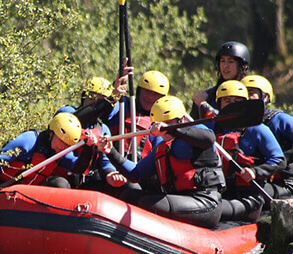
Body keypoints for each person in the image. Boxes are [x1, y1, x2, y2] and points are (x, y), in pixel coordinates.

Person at [96, 96, 226, 228]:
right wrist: (110, 151)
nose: (163, 127)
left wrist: (172, 129)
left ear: (180, 120)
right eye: (160, 123)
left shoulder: (196, 131)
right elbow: (136, 174)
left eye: (168, 122)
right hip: (179, 199)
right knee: (128, 195)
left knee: (149, 203)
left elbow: (208, 138)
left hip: (205, 201)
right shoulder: (162, 147)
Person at [212, 80, 285, 222]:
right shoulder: (213, 128)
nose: (232, 105)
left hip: (249, 200)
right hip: (221, 195)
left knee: (209, 208)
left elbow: (280, 160)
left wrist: (255, 172)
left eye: (237, 101)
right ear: (219, 104)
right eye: (227, 101)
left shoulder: (257, 129)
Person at [241, 75, 293, 199]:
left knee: (249, 192)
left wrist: (280, 161)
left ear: (265, 97)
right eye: (244, 94)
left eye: (251, 93)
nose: (247, 97)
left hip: (283, 184)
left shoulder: (281, 119)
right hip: (254, 179)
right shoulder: (238, 125)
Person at [0, 112, 84, 196]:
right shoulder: (29, 140)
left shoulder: (60, 153)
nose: (63, 148)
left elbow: (79, 168)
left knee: (61, 184)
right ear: (51, 133)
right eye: (61, 142)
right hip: (0, 188)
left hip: (25, 195)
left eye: (67, 145)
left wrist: (89, 146)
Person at [54, 77, 129, 193]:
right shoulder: (66, 113)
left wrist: (111, 173)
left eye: (100, 101)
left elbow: (105, 162)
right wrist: (111, 99)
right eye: (92, 98)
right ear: (84, 97)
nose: (95, 104)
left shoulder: (103, 129)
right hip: (60, 176)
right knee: (61, 184)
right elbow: (79, 117)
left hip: (85, 180)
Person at [107, 70, 171, 159]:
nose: (150, 97)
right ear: (139, 91)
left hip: (138, 168)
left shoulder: (162, 121)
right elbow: (108, 109)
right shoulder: (123, 104)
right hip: (110, 164)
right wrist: (115, 93)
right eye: (146, 91)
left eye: (156, 94)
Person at [192, 41, 251, 119]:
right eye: (222, 61)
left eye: (230, 61)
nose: (225, 66)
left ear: (242, 66)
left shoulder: (250, 93)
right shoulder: (209, 95)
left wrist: (204, 105)